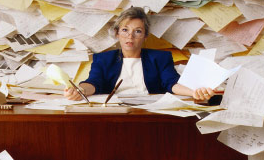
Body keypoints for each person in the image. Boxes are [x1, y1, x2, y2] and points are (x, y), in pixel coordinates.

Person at [64, 7, 214, 101]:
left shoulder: (160, 58)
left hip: (150, 113)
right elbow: (93, 82)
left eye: (138, 31)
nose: (130, 36)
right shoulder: (103, 59)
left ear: (145, 36)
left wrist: (194, 92)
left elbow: (172, 83)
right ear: (117, 33)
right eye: (125, 30)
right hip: (116, 113)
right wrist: (80, 90)